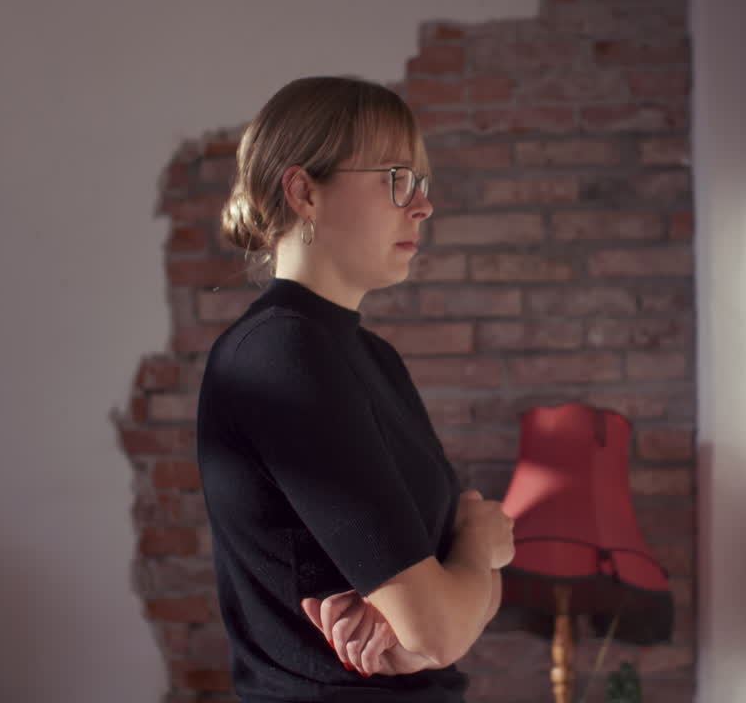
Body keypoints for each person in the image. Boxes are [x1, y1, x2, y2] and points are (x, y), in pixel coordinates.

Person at [195, 76, 515, 703]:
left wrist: (446, 594)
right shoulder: (280, 355)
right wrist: (477, 552)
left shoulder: (371, 358)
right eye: (397, 179)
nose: (420, 206)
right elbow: (446, 620)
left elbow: (440, 622)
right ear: (304, 192)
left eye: (421, 185)